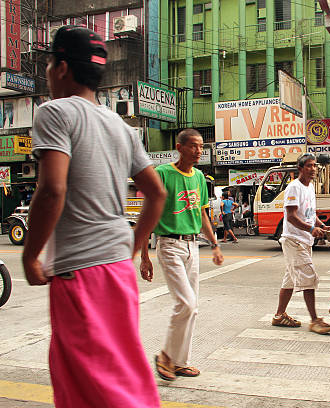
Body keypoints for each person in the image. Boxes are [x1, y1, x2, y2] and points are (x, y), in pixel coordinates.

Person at [22, 26, 166, 407]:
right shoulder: (121, 127)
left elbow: (52, 189)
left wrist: (29, 254)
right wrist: (134, 248)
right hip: (117, 268)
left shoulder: (55, 113)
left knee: (89, 384)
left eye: (50, 63)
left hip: (80, 271)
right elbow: (157, 193)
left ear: (62, 68)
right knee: (121, 371)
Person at [140, 128, 224, 382]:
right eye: (194, 146)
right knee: (185, 303)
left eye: (201, 147)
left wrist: (214, 244)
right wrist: (145, 256)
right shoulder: (163, 174)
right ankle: (166, 355)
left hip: (192, 246)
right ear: (179, 147)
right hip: (168, 245)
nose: (199, 151)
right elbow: (148, 215)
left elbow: (202, 215)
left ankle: (180, 362)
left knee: (193, 308)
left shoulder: (199, 177)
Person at [272, 153, 330, 334]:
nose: (313, 169)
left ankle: (279, 315)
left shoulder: (310, 187)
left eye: (314, 166)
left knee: (290, 280)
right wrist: (310, 229)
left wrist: (321, 225)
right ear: (300, 168)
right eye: (309, 166)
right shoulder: (294, 187)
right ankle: (314, 320)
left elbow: (309, 212)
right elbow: (291, 216)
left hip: (304, 240)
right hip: (294, 240)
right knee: (308, 278)